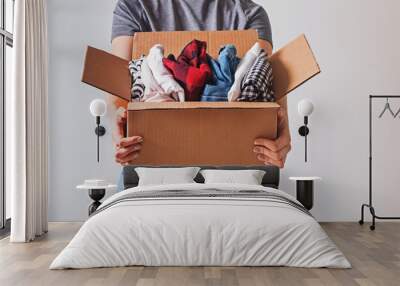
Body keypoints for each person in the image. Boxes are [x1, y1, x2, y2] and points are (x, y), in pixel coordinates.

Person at [110, 0, 291, 169]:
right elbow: (117, 90)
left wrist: (281, 131)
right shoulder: (135, 7)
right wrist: (117, 125)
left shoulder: (248, 15)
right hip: (147, 167)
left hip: (236, 170)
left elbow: (265, 81)